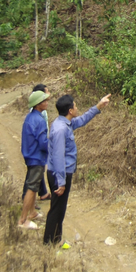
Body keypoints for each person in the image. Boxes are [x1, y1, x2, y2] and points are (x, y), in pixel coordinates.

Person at [43, 92, 111, 245]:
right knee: (57, 209)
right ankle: (49, 243)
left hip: (60, 172)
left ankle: (55, 240)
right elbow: (59, 157)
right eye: (75, 105)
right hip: (59, 173)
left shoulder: (63, 122)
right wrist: (61, 181)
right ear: (70, 111)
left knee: (59, 209)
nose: (77, 107)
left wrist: (99, 106)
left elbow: (82, 120)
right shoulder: (61, 129)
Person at [18, 89, 51, 229]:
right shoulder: (40, 120)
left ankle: (32, 213)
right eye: (44, 101)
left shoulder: (29, 118)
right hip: (36, 157)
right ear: (38, 104)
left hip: (29, 155)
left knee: (34, 185)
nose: (47, 102)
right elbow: (43, 142)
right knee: (31, 188)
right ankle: (23, 220)